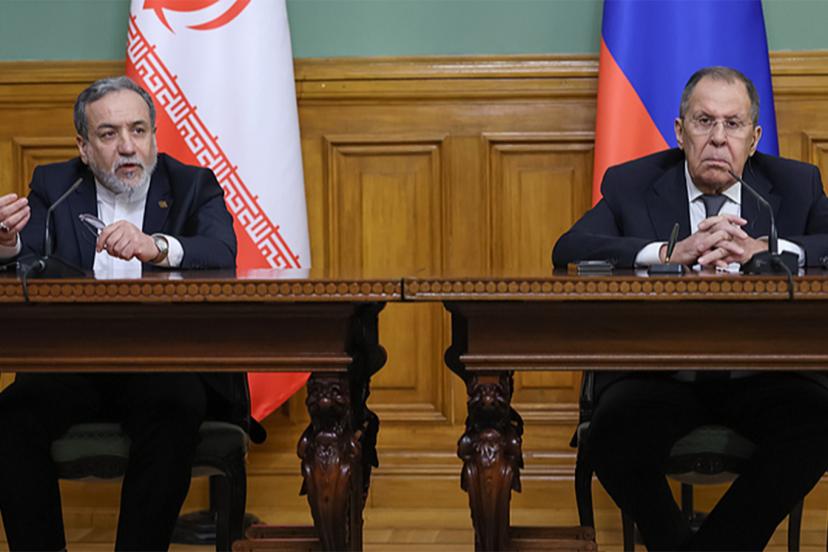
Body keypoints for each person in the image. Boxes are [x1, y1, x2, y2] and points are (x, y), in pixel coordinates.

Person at [553, 66, 828, 550]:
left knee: (819, 424)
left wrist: (770, 250)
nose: (718, 138)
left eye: (733, 124)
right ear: (680, 132)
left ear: (754, 138)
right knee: (612, 434)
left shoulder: (796, 185)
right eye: (704, 121)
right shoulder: (633, 184)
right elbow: (569, 248)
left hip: (764, 376)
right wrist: (667, 252)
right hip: (662, 375)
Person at [0, 76, 260, 551]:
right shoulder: (54, 186)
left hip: (162, 364)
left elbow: (222, 251)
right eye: (109, 134)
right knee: (10, 417)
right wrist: (7, 243)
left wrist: (156, 246)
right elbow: (28, 258)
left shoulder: (192, 184)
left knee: (176, 404)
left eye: (138, 130)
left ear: (153, 136)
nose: (127, 146)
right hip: (74, 365)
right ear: (83, 147)